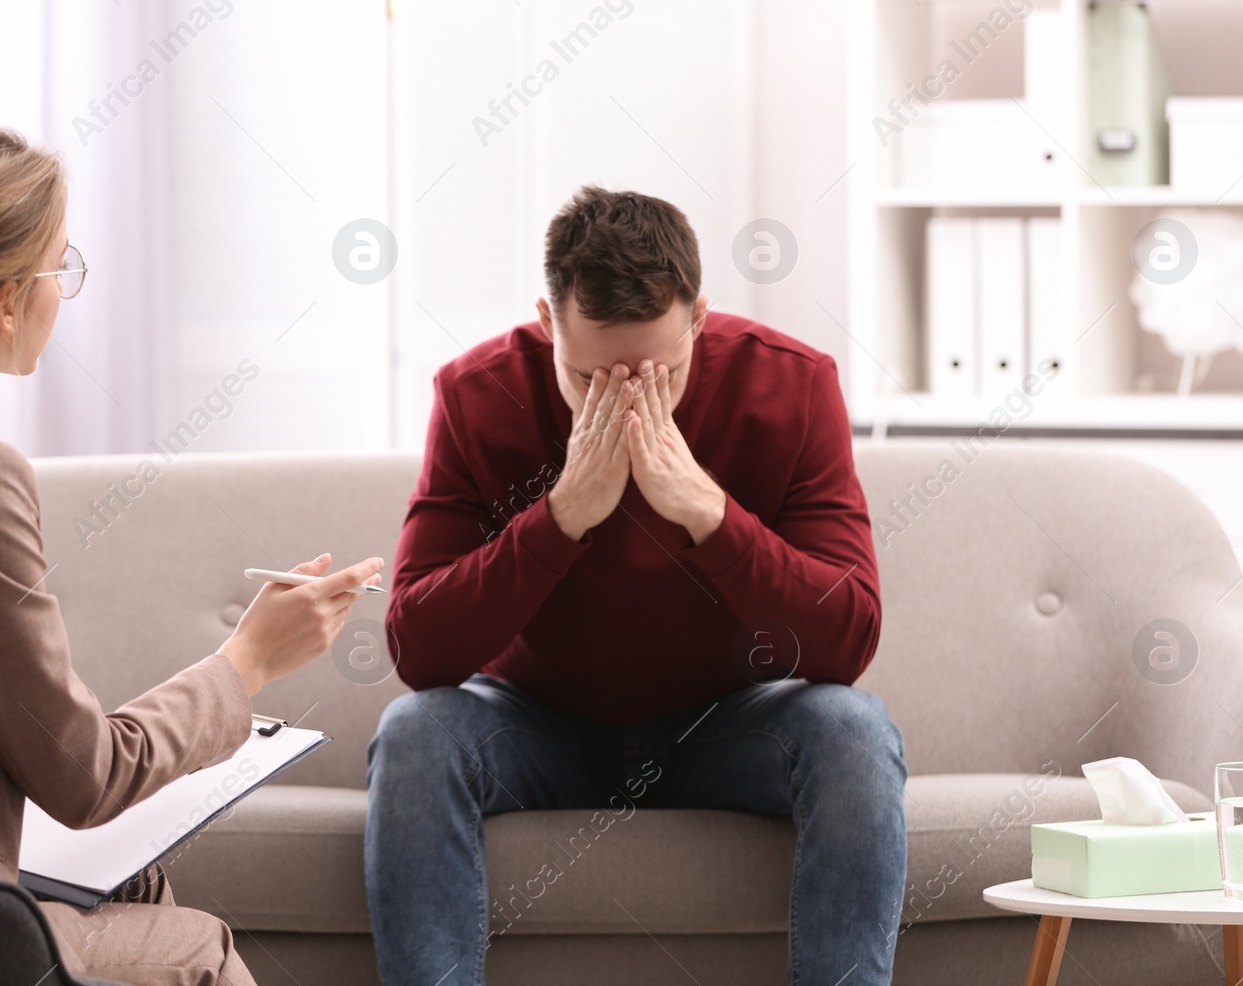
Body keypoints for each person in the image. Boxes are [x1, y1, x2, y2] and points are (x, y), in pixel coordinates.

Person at [0, 124, 383, 986]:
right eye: (63, 267)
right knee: (195, 950)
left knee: (141, 886)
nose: (66, 291)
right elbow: (87, 777)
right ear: (7, 300)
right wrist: (247, 659)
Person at [366, 186, 907, 985]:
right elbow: (418, 645)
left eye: (663, 373)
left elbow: (849, 637)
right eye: (589, 378)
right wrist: (557, 520)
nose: (627, 403)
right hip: (537, 728)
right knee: (413, 731)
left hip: (725, 725)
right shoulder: (475, 392)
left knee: (854, 728)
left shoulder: (794, 384)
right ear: (547, 326)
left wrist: (710, 515)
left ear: (700, 318)